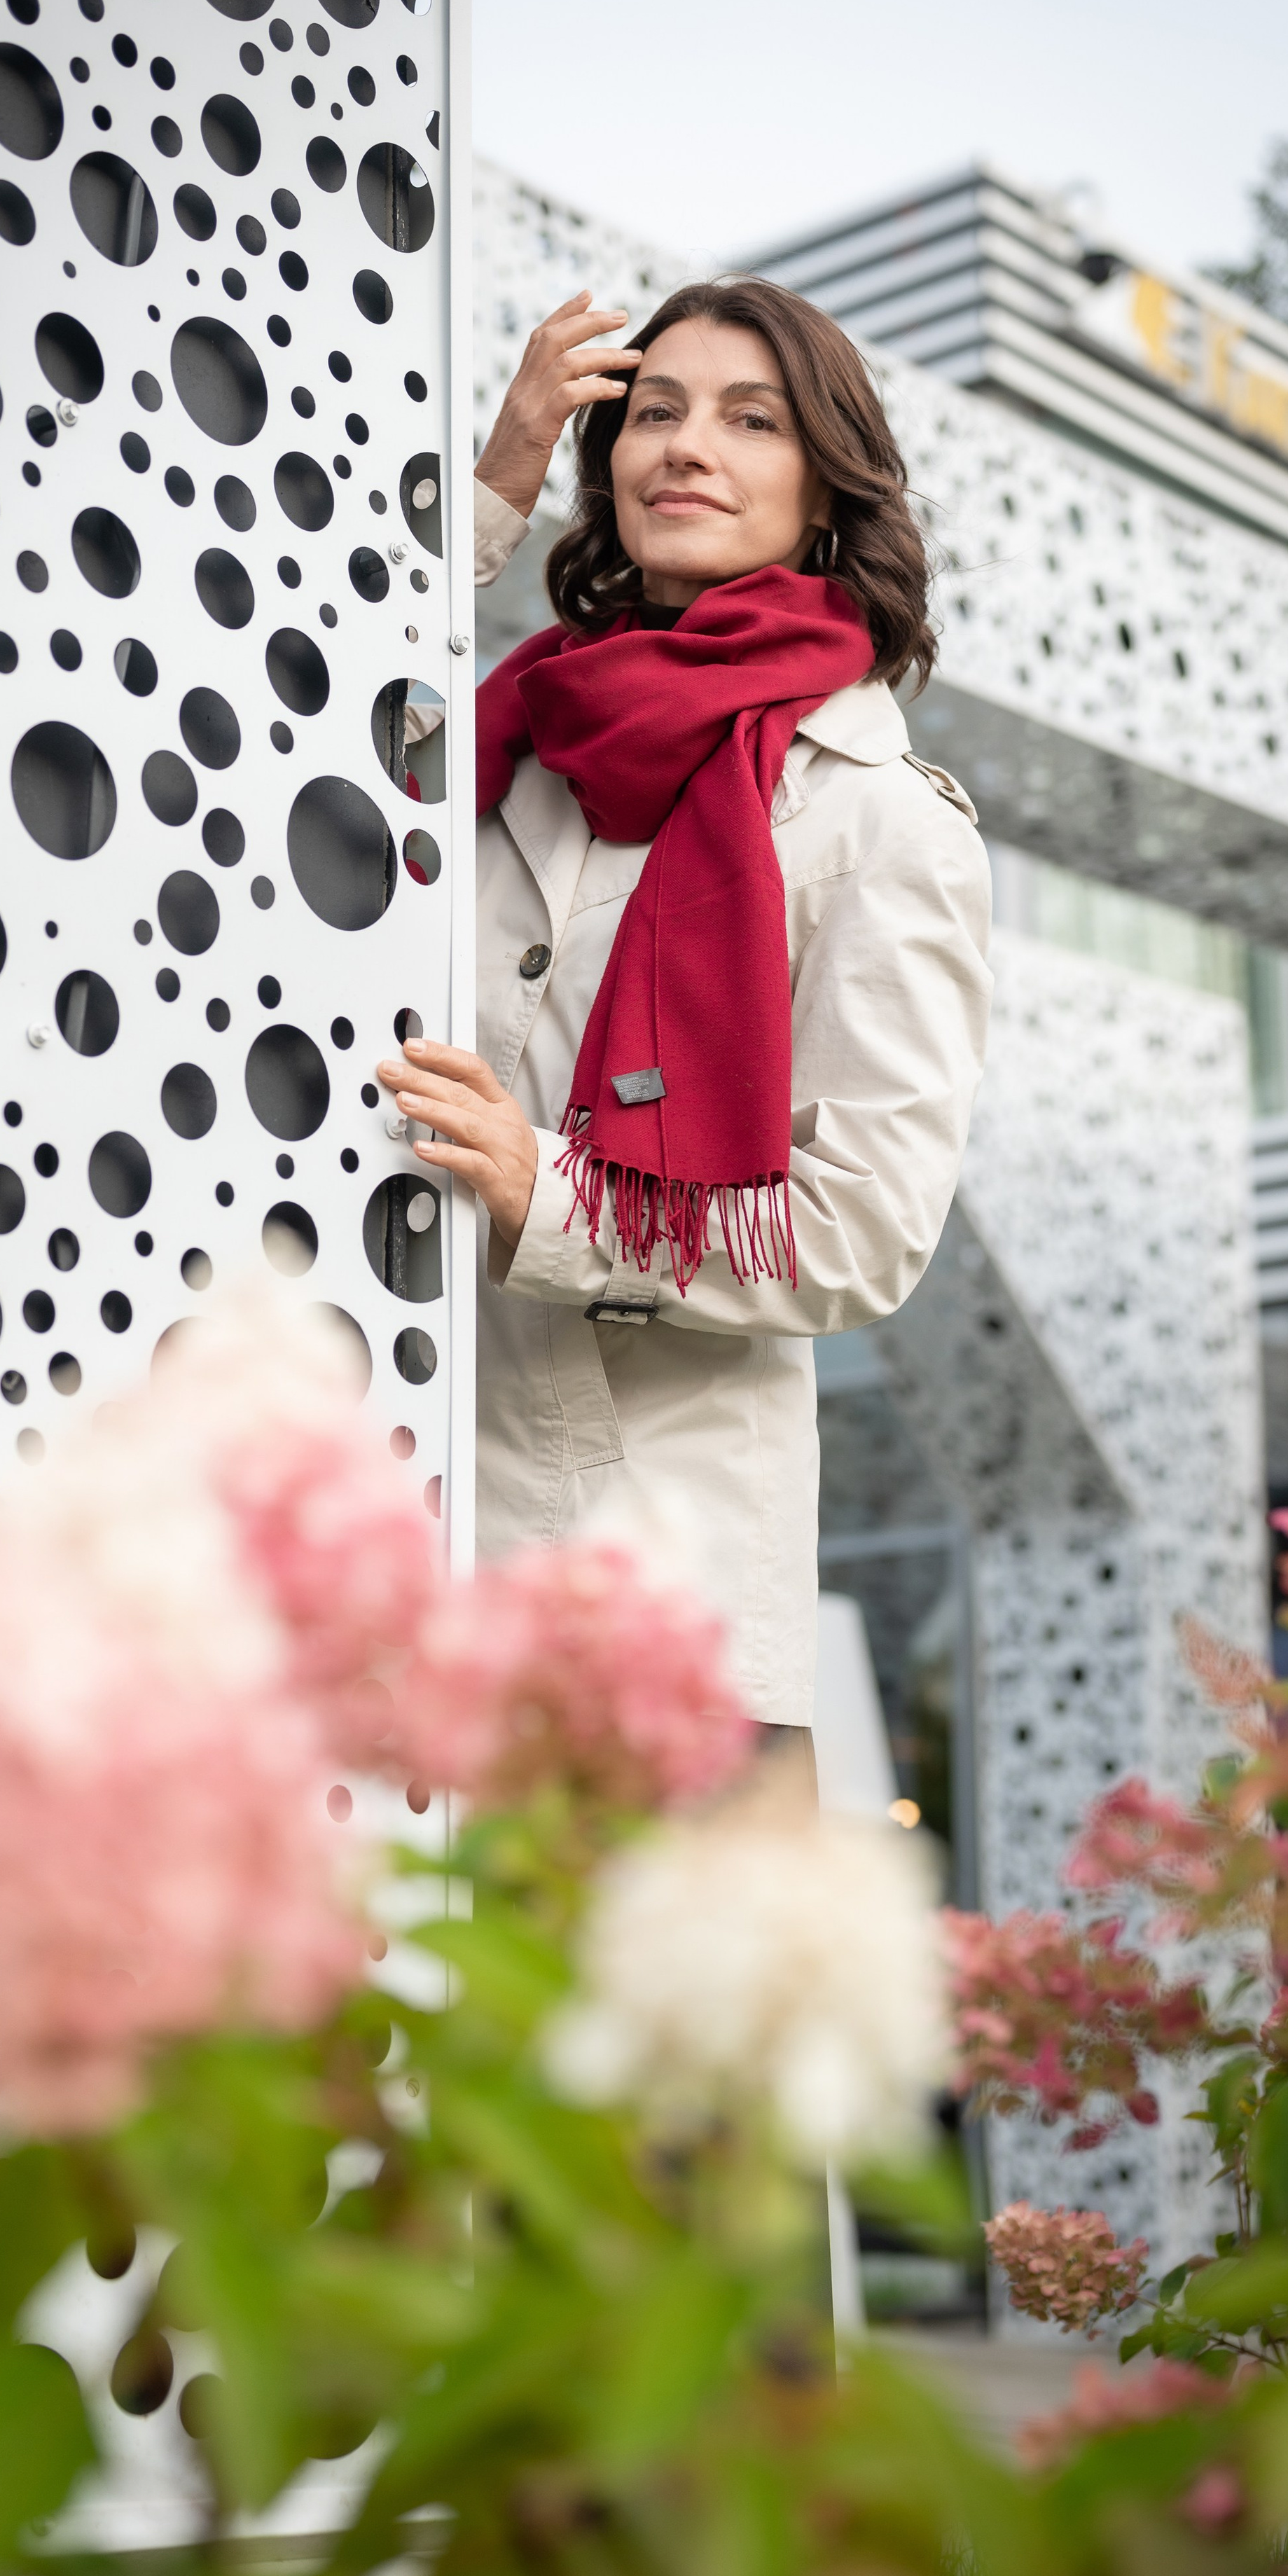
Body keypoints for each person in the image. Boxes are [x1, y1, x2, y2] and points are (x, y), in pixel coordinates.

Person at [375, 281, 992, 1743]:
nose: (686, 445)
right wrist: (488, 494)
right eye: (653, 411)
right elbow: (292, 748)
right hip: (393, 1561)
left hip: (654, 1612)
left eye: (750, 419)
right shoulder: (507, 744)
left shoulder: (881, 822)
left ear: (826, 486)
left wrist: (548, 1196)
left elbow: (861, 1230)